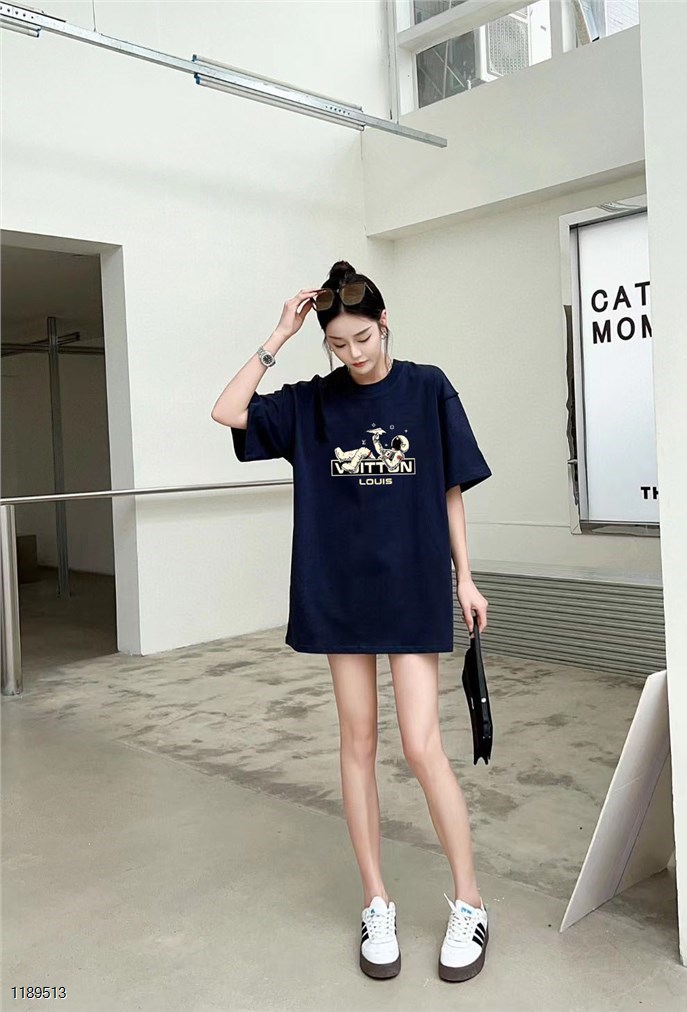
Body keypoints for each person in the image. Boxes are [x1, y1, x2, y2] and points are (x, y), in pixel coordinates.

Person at [211, 261, 492, 983]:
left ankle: (470, 901)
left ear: (384, 324)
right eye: (338, 344)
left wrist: (465, 576)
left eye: (363, 339)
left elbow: (451, 489)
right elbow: (228, 411)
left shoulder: (427, 388)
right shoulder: (312, 402)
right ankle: (376, 902)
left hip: (412, 584)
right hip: (341, 589)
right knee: (357, 743)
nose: (354, 354)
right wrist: (279, 335)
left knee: (422, 746)